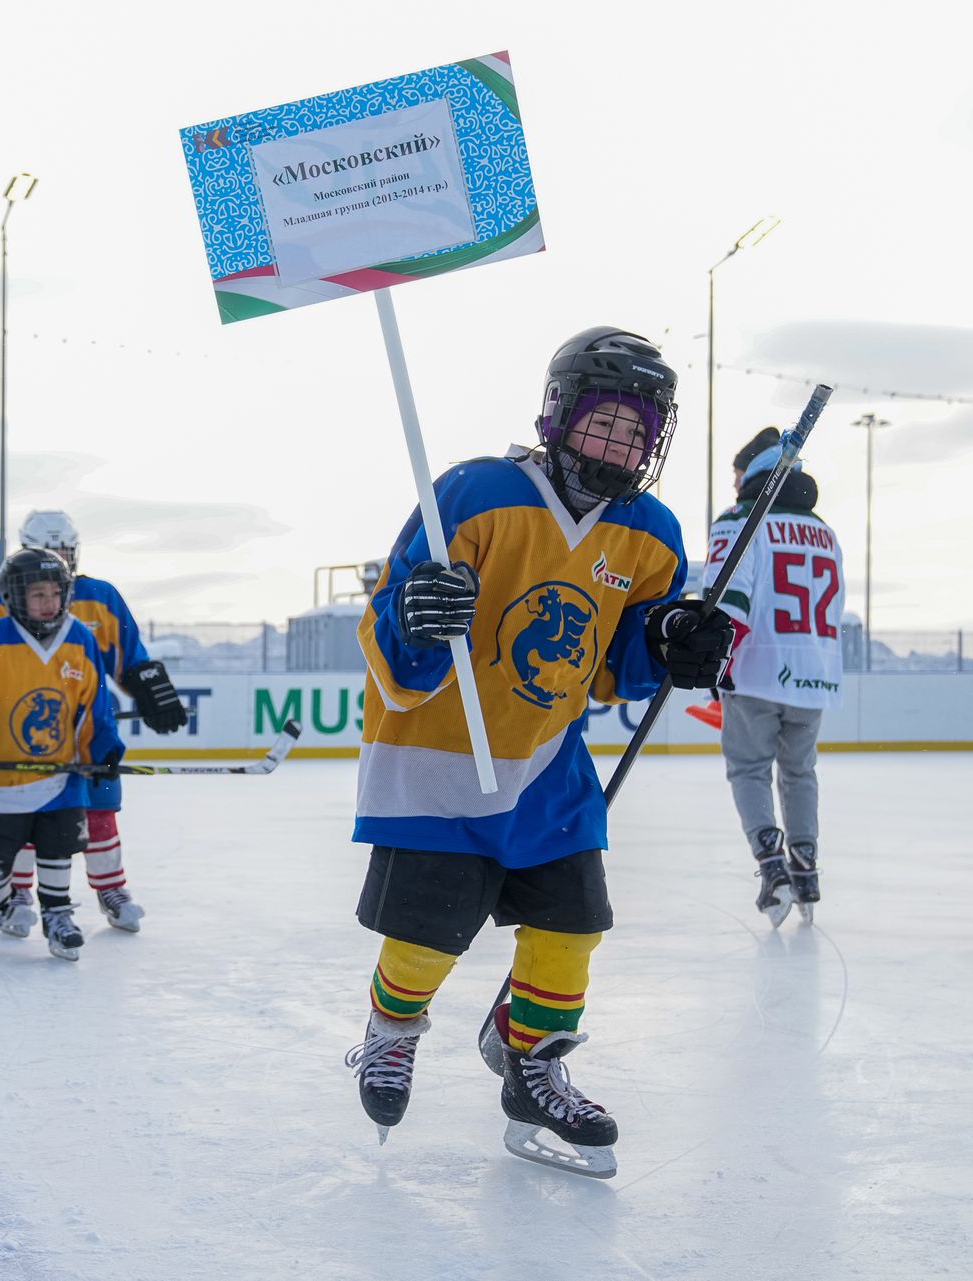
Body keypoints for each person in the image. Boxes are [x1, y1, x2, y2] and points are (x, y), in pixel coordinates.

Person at [342, 327, 732, 1178]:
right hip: (437, 757)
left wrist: (671, 638)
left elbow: (614, 669)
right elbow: (385, 621)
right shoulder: (478, 492)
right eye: (605, 423)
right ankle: (391, 1030)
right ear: (559, 415)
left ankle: (533, 1064)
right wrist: (417, 613)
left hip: (549, 763)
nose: (619, 446)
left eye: (637, 432)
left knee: (571, 926)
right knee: (428, 938)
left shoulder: (651, 532)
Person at [0, 511, 187, 935]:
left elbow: (128, 656)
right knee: (25, 813)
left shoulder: (100, 596)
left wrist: (148, 685)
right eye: (52, 551)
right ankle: (17, 893)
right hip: (19, 731)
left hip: (88, 725)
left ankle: (111, 889)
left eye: (66, 550)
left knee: (100, 809)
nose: (61, 560)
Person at [0, 547, 124, 961]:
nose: (49, 603)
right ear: (15, 597)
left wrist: (103, 749)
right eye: (38, 595)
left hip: (60, 776)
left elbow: (95, 705)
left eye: (55, 593)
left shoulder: (80, 638)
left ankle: (57, 914)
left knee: (56, 850)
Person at [706, 427, 845, 927]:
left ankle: (772, 867)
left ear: (755, 472)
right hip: (813, 673)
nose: (735, 481)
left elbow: (728, 600)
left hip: (757, 670)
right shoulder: (824, 531)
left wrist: (715, 664)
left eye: (738, 472)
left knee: (748, 769)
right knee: (799, 771)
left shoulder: (742, 521)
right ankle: (805, 865)